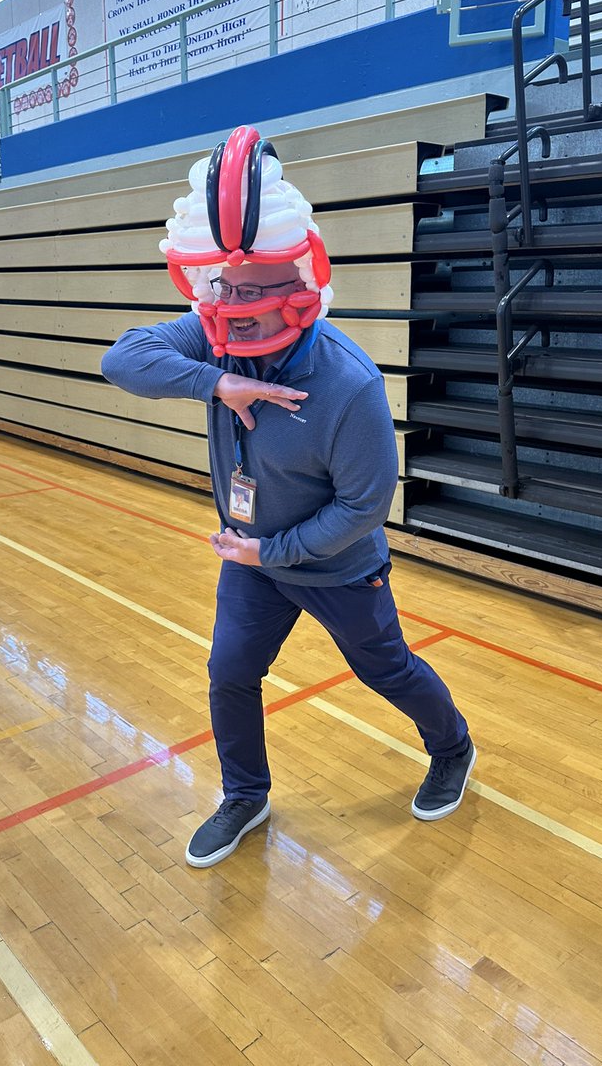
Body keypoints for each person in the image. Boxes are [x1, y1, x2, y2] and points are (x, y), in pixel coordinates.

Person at [101, 126, 475, 869]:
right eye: (223, 289)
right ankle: (246, 794)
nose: (231, 306)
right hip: (251, 559)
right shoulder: (214, 344)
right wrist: (218, 381)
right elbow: (123, 358)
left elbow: (364, 506)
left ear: (297, 288)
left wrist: (273, 549)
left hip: (333, 565)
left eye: (251, 292)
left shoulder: (350, 383)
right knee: (230, 673)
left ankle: (453, 747)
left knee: (386, 668)